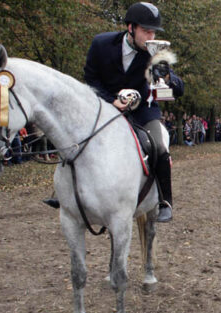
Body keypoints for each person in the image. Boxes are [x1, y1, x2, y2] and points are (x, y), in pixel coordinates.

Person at [45, 2, 184, 222]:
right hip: (105, 106)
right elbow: (91, 78)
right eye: (146, 30)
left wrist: (166, 77)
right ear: (131, 27)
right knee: (76, 137)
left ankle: (165, 200)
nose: (151, 36)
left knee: (157, 146)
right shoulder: (101, 43)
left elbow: (174, 92)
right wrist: (112, 100)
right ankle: (64, 192)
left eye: (153, 31)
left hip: (143, 112)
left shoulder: (156, 53)